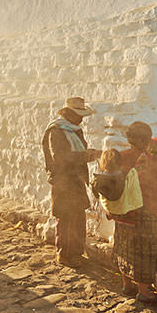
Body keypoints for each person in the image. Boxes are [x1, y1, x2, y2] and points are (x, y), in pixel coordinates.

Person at [112, 121, 157, 302]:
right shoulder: (153, 160)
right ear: (147, 139)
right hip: (146, 211)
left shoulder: (120, 156)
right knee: (145, 251)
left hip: (123, 211)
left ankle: (127, 285)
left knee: (124, 247)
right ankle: (143, 291)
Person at [42, 97, 102, 267]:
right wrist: (86, 155)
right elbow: (59, 158)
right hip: (62, 181)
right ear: (69, 114)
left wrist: (90, 155)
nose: (82, 119)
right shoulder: (56, 132)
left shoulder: (74, 130)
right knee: (66, 218)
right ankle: (65, 254)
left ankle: (75, 252)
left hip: (75, 180)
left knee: (77, 217)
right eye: (79, 115)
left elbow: (77, 153)